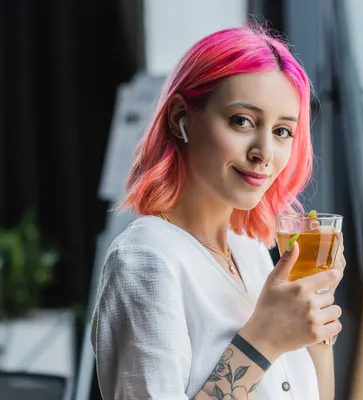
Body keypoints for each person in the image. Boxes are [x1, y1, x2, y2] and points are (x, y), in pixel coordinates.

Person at [90, 24, 346, 400]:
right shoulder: (146, 258)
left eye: (282, 131)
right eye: (242, 121)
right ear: (181, 118)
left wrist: (315, 327)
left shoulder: (252, 252)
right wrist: (264, 339)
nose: (263, 152)